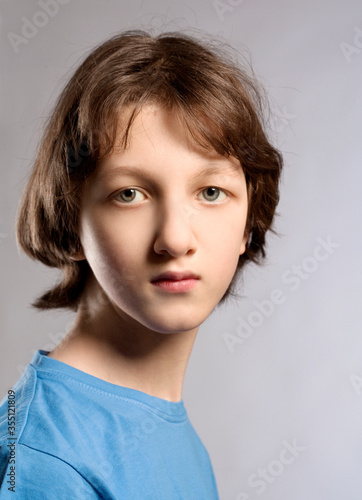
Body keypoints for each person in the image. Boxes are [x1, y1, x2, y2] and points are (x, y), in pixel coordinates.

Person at [0, 29, 283, 498]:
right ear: (71, 224)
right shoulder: (48, 461)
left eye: (211, 192)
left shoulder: (169, 429)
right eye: (129, 194)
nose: (174, 238)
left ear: (249, 221)